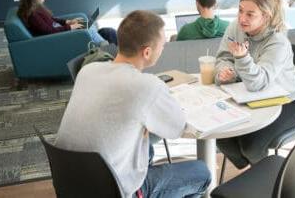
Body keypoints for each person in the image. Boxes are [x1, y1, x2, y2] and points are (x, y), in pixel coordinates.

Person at [55, 10, 211, 198]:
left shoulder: (88, 70)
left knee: (148, 149)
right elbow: (176, 128)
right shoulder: (147, 86)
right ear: (147, 52)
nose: (163, 48)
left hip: (70, 182)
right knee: (202, 173)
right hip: (113, 190)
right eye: (162, 45)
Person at [215, 0, 295, 168]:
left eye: (250, 14)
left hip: (286, 101)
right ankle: (254, 172)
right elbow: (223, 57)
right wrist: (225, 72)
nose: (241, 18)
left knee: (251, 146)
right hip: (250, 97)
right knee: (221, 136)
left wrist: (241, 57)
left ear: (266, 16)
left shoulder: (278, 42)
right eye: (240, 11)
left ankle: (268, 182)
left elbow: (259, 82)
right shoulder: (236, 27)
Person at [17, 0, 117, 46]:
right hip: (59, 36)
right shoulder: (32, 15)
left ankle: (105, 43)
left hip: (60, 30)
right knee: (89, 28)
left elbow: (52, 20)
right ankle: (106, 47)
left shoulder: (36, 7)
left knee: (95, 27)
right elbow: (49, 31)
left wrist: (68, 22)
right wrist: (71, 27)